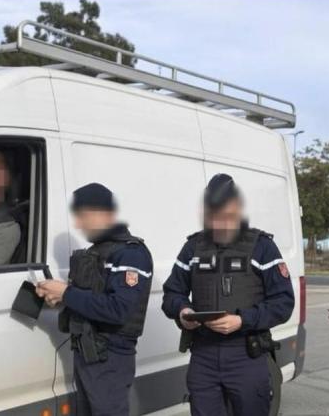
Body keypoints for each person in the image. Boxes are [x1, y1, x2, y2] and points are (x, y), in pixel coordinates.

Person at [161, 173, 295, 416]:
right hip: (204, 355)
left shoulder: (262, 247)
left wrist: (243, 320)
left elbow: (283, 303)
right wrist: (183, 312)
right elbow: (172, 293)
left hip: (246, 355)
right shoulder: (193, 247)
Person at [37, 183, 153, 416]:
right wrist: (60, 298)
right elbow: (94, 296)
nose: (78, 224)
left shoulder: (130, 254)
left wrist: (67, 293)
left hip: (110, 357)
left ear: (103, 213)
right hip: (88, 353)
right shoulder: (98, 252)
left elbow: (118, 309)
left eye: (82, 216)